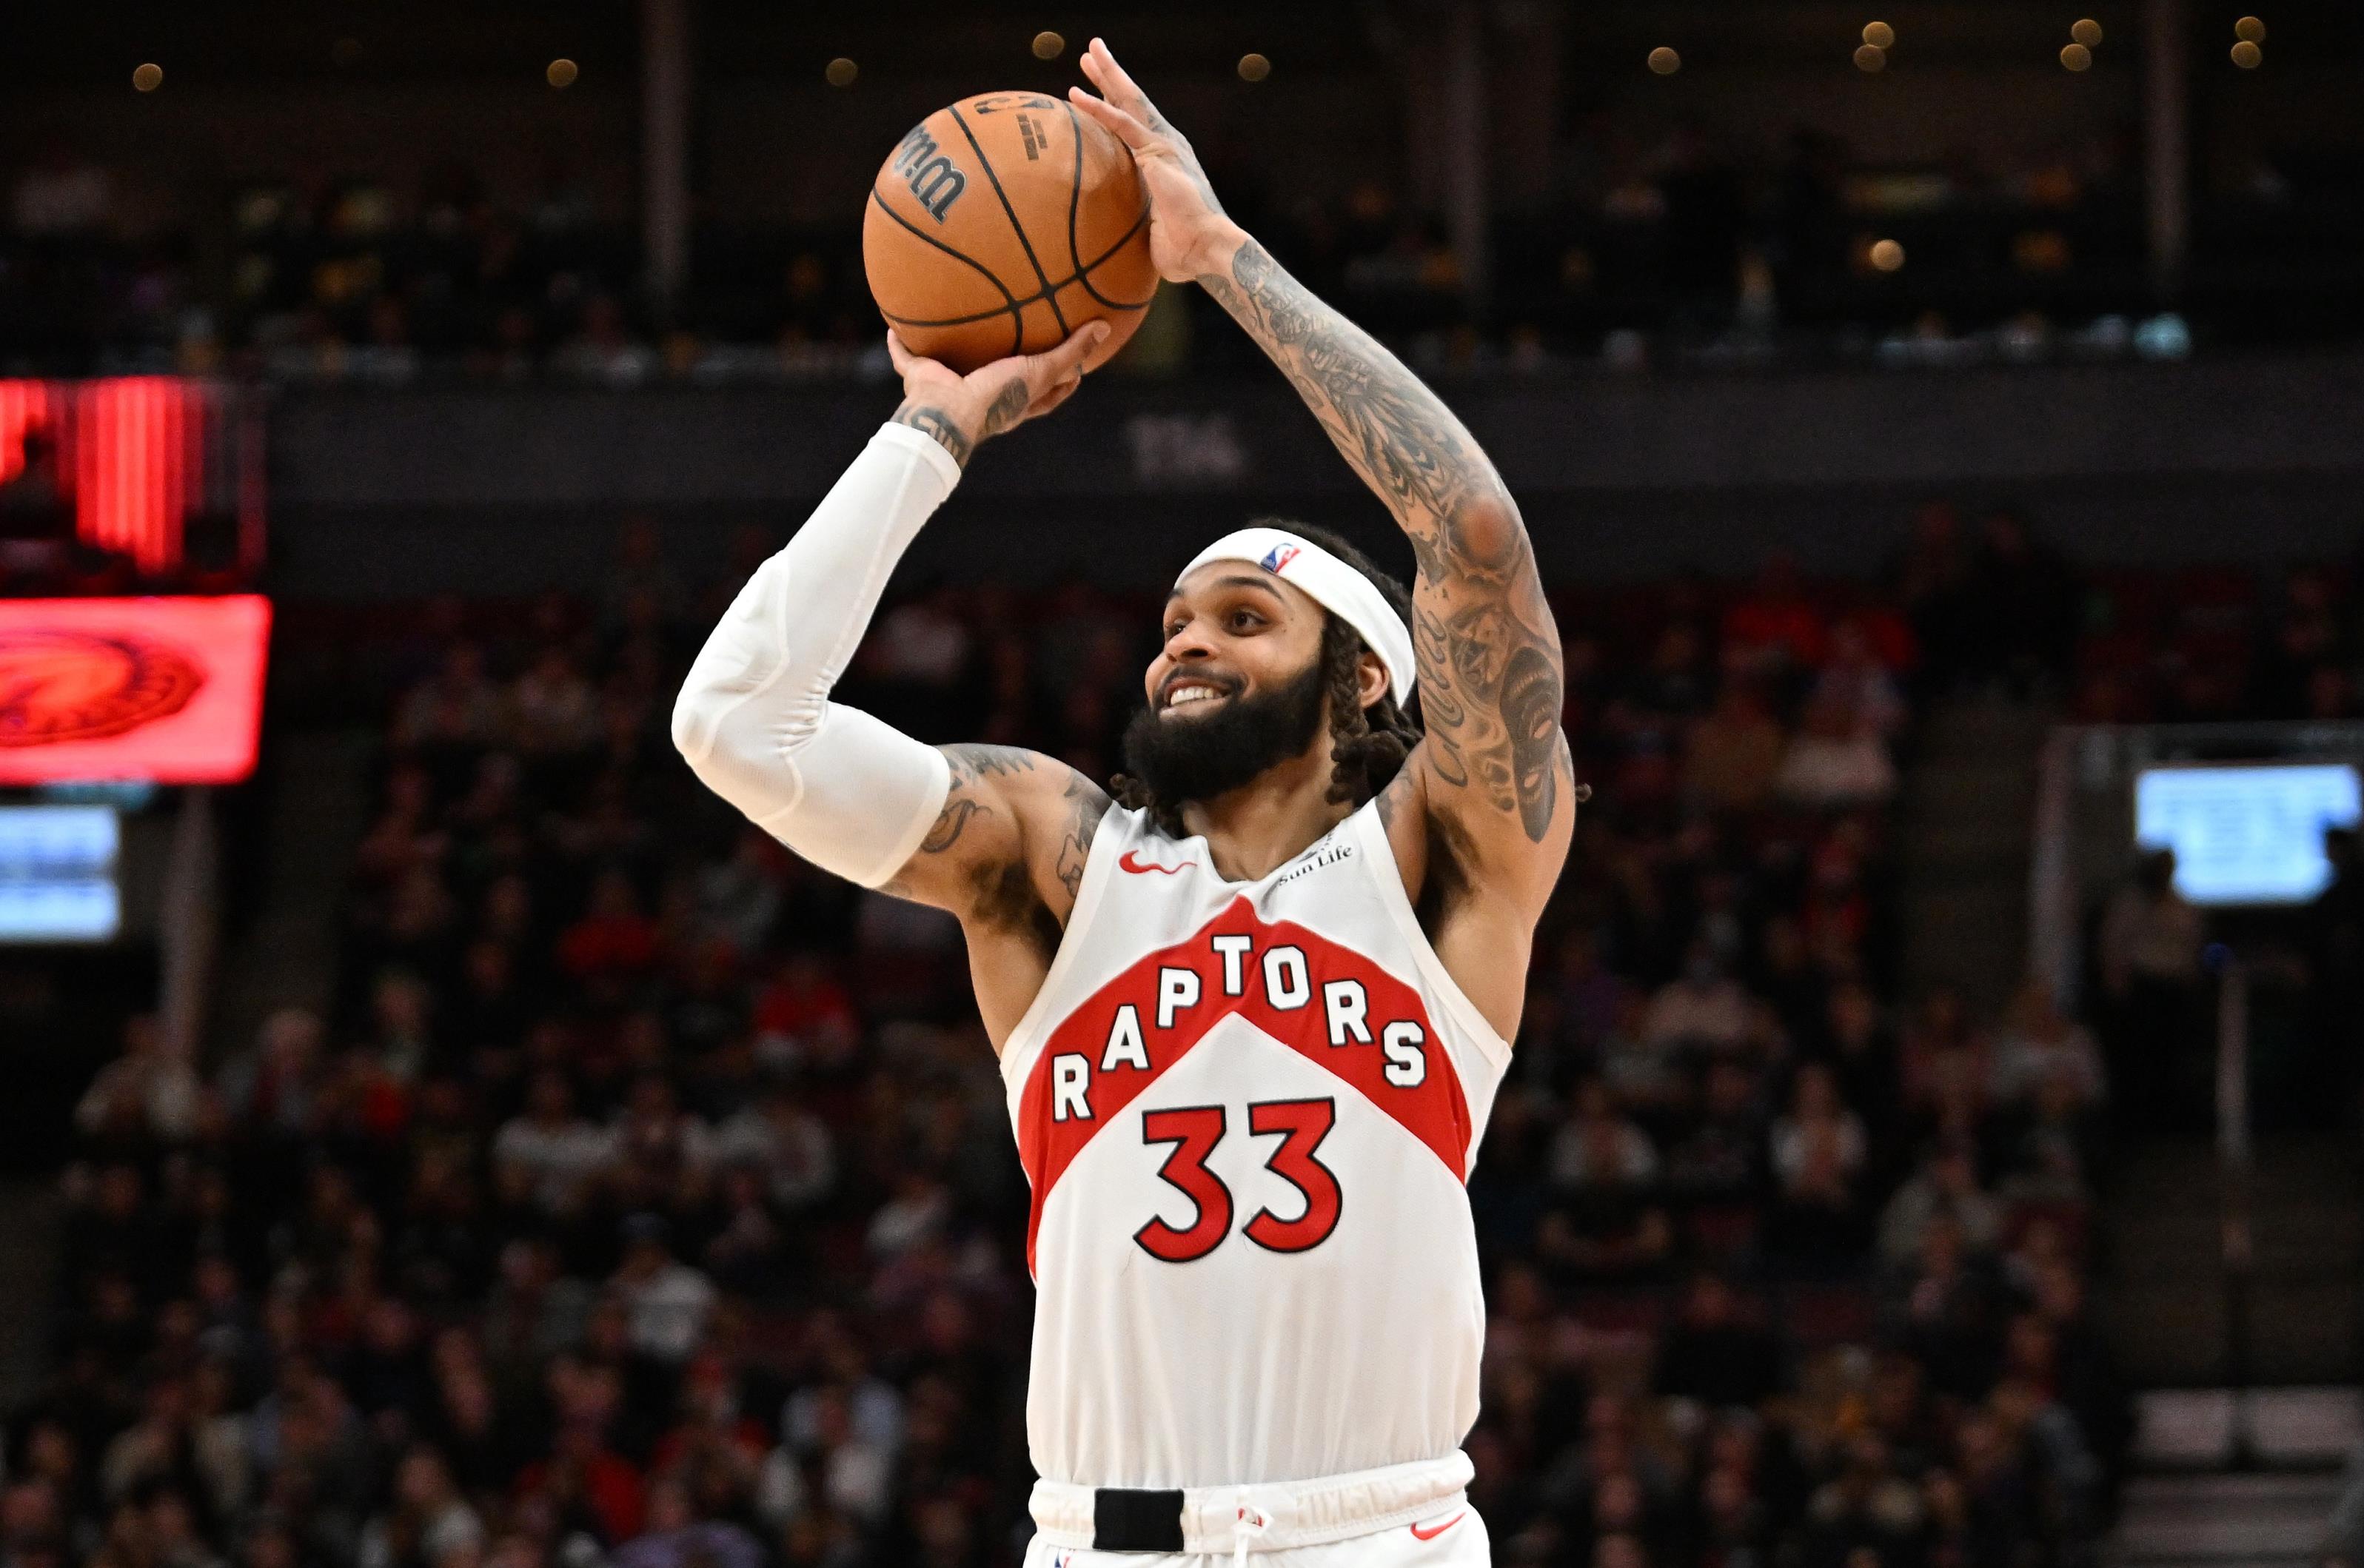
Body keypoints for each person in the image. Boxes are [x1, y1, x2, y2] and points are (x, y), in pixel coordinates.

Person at [671, 38, 1578, 1567]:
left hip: (1377, 1535)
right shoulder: (1056, 856)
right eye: (1173, 623)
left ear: (1366, 677)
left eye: (1242, 618)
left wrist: (1224, 265)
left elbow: (1474, 532)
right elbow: (735, 724)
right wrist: (931, 432)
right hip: (1100, 1540)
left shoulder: (1441, 858)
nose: (1186, 645)